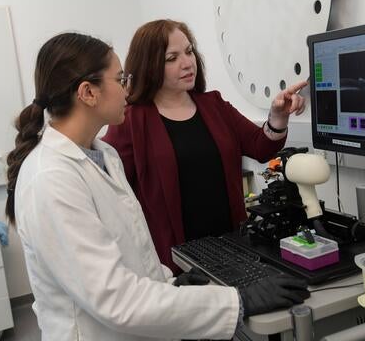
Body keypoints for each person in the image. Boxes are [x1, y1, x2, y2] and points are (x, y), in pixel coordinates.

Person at [5, 32, 309, 341]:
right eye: (120, 80)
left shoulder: (103, 156)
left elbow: (134, 247)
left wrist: (170, 284)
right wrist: (238, 301)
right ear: (88, 93)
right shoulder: (51, 178)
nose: (127, 90)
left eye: (189, 52)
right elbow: (115, 299)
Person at [103, 19, 307, 271]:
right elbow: (111, 192)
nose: (187, 63)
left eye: (189, 52)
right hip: (175, 263)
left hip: (233, 249)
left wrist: (278, 116)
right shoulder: (131, 120)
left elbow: (260, 146)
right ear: (150, 65)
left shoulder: (214, 105)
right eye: (172, 58)